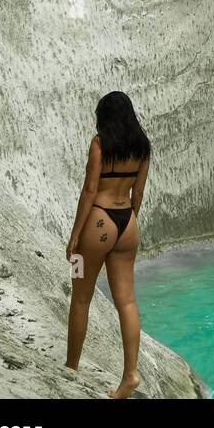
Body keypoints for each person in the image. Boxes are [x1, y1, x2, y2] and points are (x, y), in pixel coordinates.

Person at [65, 92, 151, 398]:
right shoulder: (143, 147)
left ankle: (70, 369)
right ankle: (130, 375)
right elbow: (138, 193)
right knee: (126, 301)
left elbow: (90, 190)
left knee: (80, 298)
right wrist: (130, 223)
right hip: (128, 223)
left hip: (98, 224)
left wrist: (75, 234)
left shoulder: (100, 143)